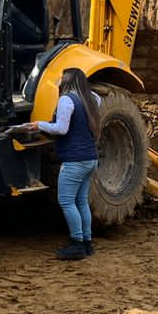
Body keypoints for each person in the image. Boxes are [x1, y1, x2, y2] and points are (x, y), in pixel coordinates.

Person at [24, 68, 101, 261]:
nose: (58, 82)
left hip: (74, 160)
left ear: (66, 81)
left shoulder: (67, 100)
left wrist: (38, 125)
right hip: (91, 158)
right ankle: (87, 243)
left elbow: (61, 129)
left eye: (60, 79)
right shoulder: (92, 98)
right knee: (81, 201)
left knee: (67, 201)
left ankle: (76, 244)